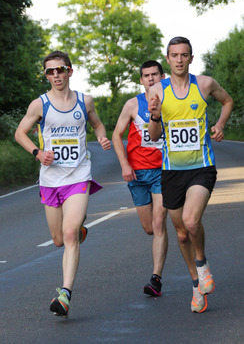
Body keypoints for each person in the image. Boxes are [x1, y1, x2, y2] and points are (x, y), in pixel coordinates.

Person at [15, 51, 111, 317]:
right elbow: (19, 133)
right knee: (59, 239)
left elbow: (98, 125)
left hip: (78, 176)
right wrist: (38, 153)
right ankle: (77, 229)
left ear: (70, 70)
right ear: (46, 75)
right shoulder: (40, 105)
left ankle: (65, 294)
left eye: (60, 69)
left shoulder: (85, 101)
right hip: (50, 180)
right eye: (50, 71)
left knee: (69, 235)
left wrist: (102, 138)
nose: (56, 75)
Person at [148, 37, 234, 312]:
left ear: (190, 58)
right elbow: (154, 136)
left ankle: (202, 262)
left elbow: (228, 101)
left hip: (201, 168)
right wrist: (153, 117)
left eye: (184, 55)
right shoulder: (157, 91)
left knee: (191, 221)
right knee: (182, 234)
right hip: (172, 171)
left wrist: (220, 124)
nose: (179, 60)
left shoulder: (205, 84)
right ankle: (197, 284)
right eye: (174, 55)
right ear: (168, 58)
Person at [112, 60, 168, 296]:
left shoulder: (171, 101)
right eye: (146, 75)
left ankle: (156, 279)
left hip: (164, 170)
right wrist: (124, 164)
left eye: (155, 74)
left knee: (158, 224)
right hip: (137, 172)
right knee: (149, 228)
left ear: (162, 76)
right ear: (141, 80)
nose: (151, 79)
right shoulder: (133, 104)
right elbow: (116, 134)